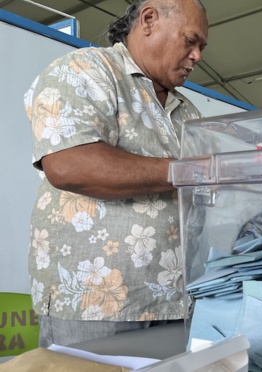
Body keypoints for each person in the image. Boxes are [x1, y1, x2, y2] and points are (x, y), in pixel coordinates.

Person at [24, 0, 209, 347]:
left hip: (176, 303)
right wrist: (190, 171)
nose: (197, 55)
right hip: (96, 305)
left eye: (201, 47)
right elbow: (68, 165)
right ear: (150, 19)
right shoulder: (85, 70)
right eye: (190, 41)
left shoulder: (187, 111)